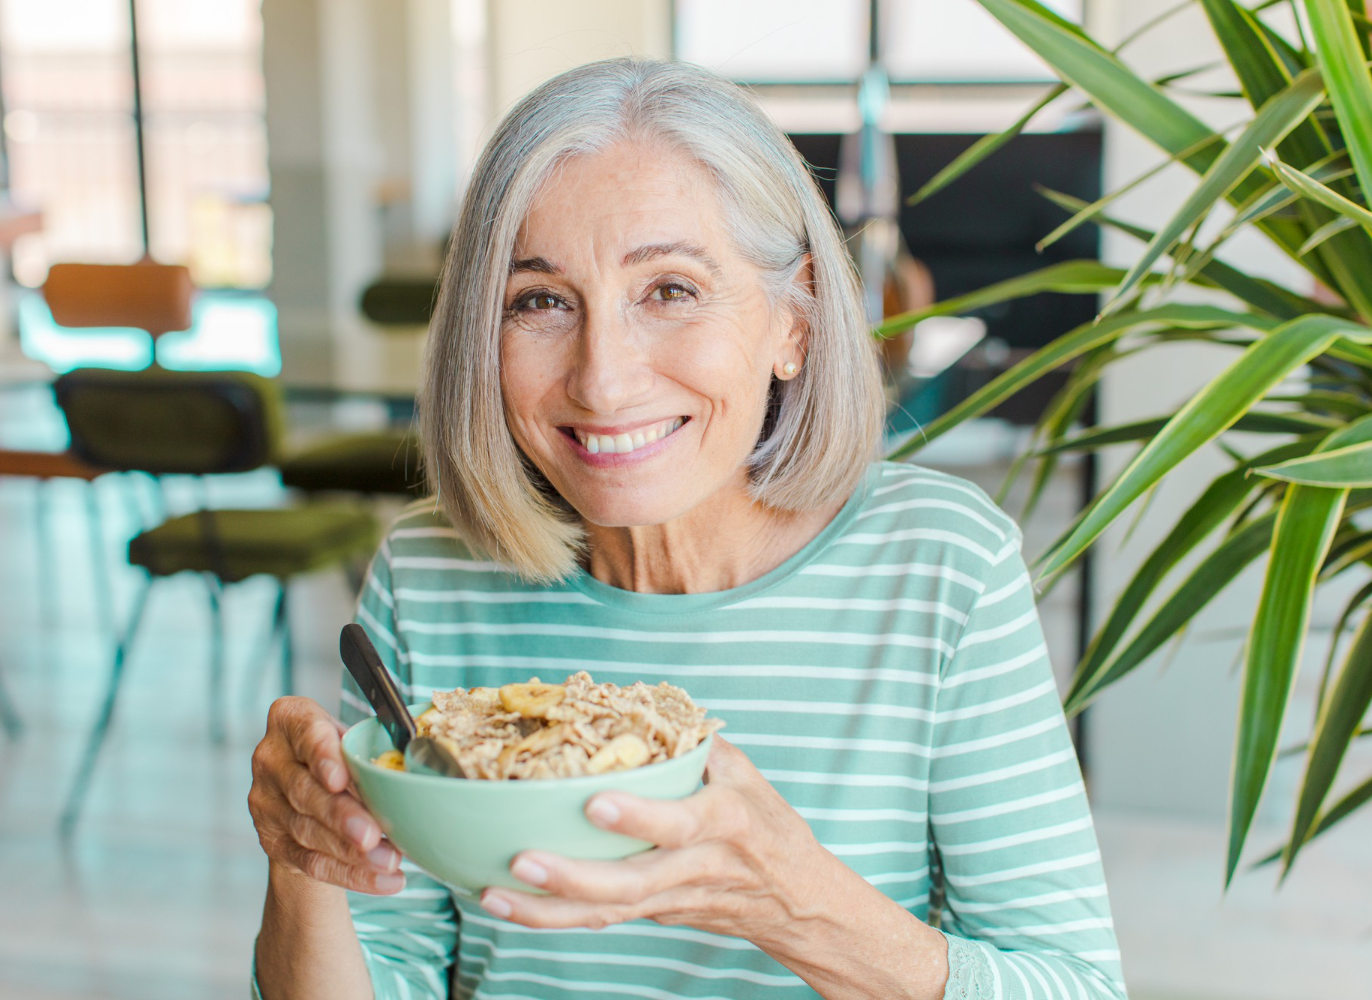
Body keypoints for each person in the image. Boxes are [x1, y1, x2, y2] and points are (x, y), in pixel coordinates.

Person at [246, 58, 1126, 1000]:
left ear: (797, 321)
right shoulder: (432, 577)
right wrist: (304, 866)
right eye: (540, 301)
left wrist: (792, 903)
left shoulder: (942, 568)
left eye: (669, 290)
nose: (604, 379)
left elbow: (1073, 986)